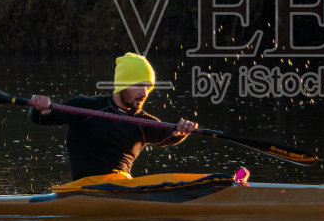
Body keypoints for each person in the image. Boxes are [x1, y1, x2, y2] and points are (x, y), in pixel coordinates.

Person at [28, 52, 198, 181]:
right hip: (83, 190)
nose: (144, 93)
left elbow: (168, 136)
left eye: (148, 87)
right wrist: (39, 108)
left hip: (122, 189)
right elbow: (43, 118)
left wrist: (181, 131)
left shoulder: (143, 122)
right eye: (139, 85)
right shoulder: (86, 107)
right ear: (123, 84)